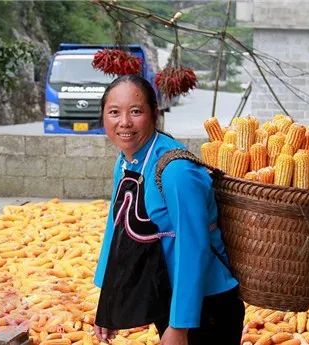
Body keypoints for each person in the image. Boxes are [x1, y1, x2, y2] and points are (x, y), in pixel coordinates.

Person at [93, 74, 244, 345]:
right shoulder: (126, 161)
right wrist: (108, 302)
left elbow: (193, 246)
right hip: (166, 294)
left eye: (136, 111)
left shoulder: (177, 171)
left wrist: (180, 326)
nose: (124, 122)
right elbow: (115, 228)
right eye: (114, 112)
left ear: (154, 114)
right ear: (103, 117)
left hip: (205, 304)